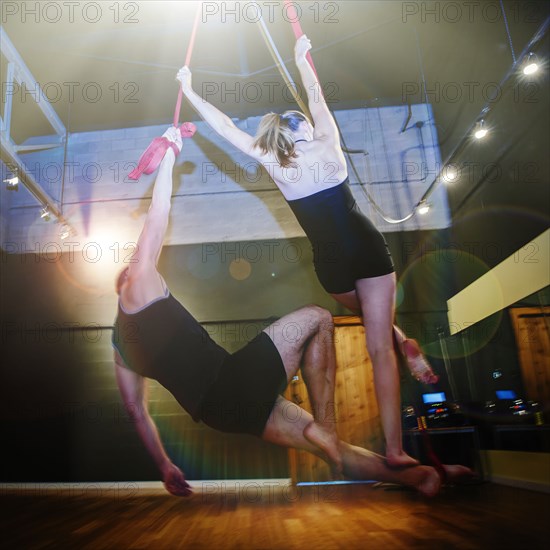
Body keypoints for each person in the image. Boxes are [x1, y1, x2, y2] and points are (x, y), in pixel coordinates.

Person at [111, 127, 468, 497]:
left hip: (222, 414)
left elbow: (137, 412)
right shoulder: (138, 281)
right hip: (231, 379)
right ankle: (327, 426)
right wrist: (170, 152)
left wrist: (164, 464)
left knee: (334, 453)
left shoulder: (120, 346)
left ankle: (423, 477)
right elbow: (158, 213)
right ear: (128, 278)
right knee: (318, 317)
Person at [177, 35, 439, 469]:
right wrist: (301, 57)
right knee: (379, 345)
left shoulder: (273, 160)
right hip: (369, 252)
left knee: (371, 322)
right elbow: (315, 94)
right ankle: (395, 447)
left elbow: (225, 128)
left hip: (330, 264)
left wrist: (190, 91)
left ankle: (398, 342)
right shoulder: (327, 143)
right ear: (301, 127)